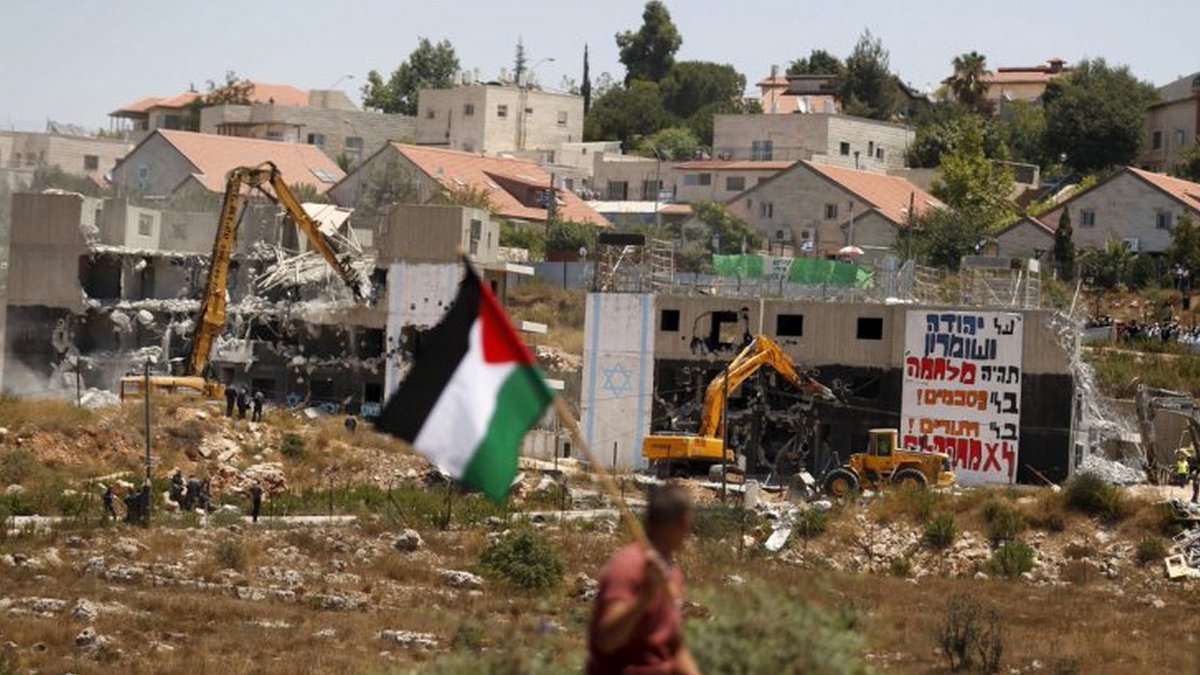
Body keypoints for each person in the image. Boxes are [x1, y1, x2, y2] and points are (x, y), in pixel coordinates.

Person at [587, 484, 701, 675]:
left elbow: (674, 647)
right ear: (684, 521)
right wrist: (644, 599)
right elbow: (606, 639)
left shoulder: (672, 572)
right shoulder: (627, 567)